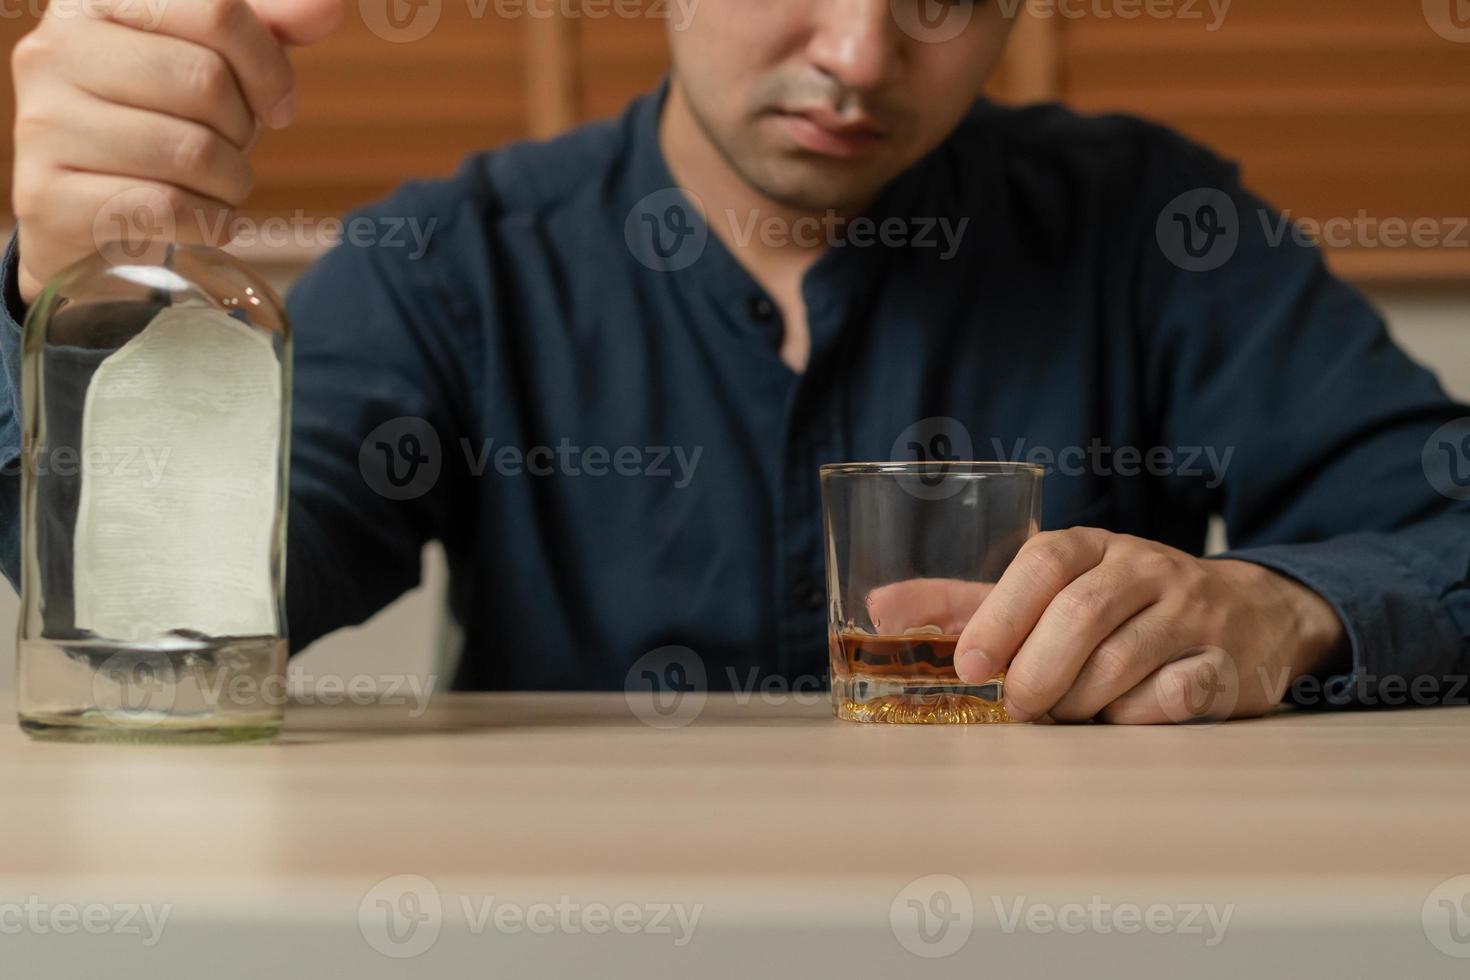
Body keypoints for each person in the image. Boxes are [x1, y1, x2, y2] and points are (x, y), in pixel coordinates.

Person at [1, 0, 1467, 723]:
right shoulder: (457, 257)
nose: (860, 52)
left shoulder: (1153, 226)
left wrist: (1281, 608)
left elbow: (1444, 520)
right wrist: (73, 304)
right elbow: (162, 632)